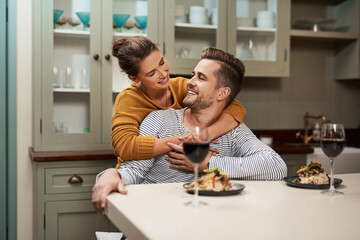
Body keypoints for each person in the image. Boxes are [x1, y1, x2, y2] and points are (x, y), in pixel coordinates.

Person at [92, 48, 287, 215]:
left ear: (222, 93)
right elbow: (132, 171)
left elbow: (276, 166)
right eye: (193, 74)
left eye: (200, 77)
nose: (188, 82)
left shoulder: (233, 131)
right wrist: (112, 174)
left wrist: (206, 163)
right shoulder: (158, 120)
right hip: (155, 220)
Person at [111, 36, 246, 168]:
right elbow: (125, 146)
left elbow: (235, 107)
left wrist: (205, 135)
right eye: (152, 73)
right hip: (135, 171)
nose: (163, 74)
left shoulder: (181, 87)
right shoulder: (128, 99)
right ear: (134, 78)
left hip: (174, 168)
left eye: (162, 62)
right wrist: (189, 140)